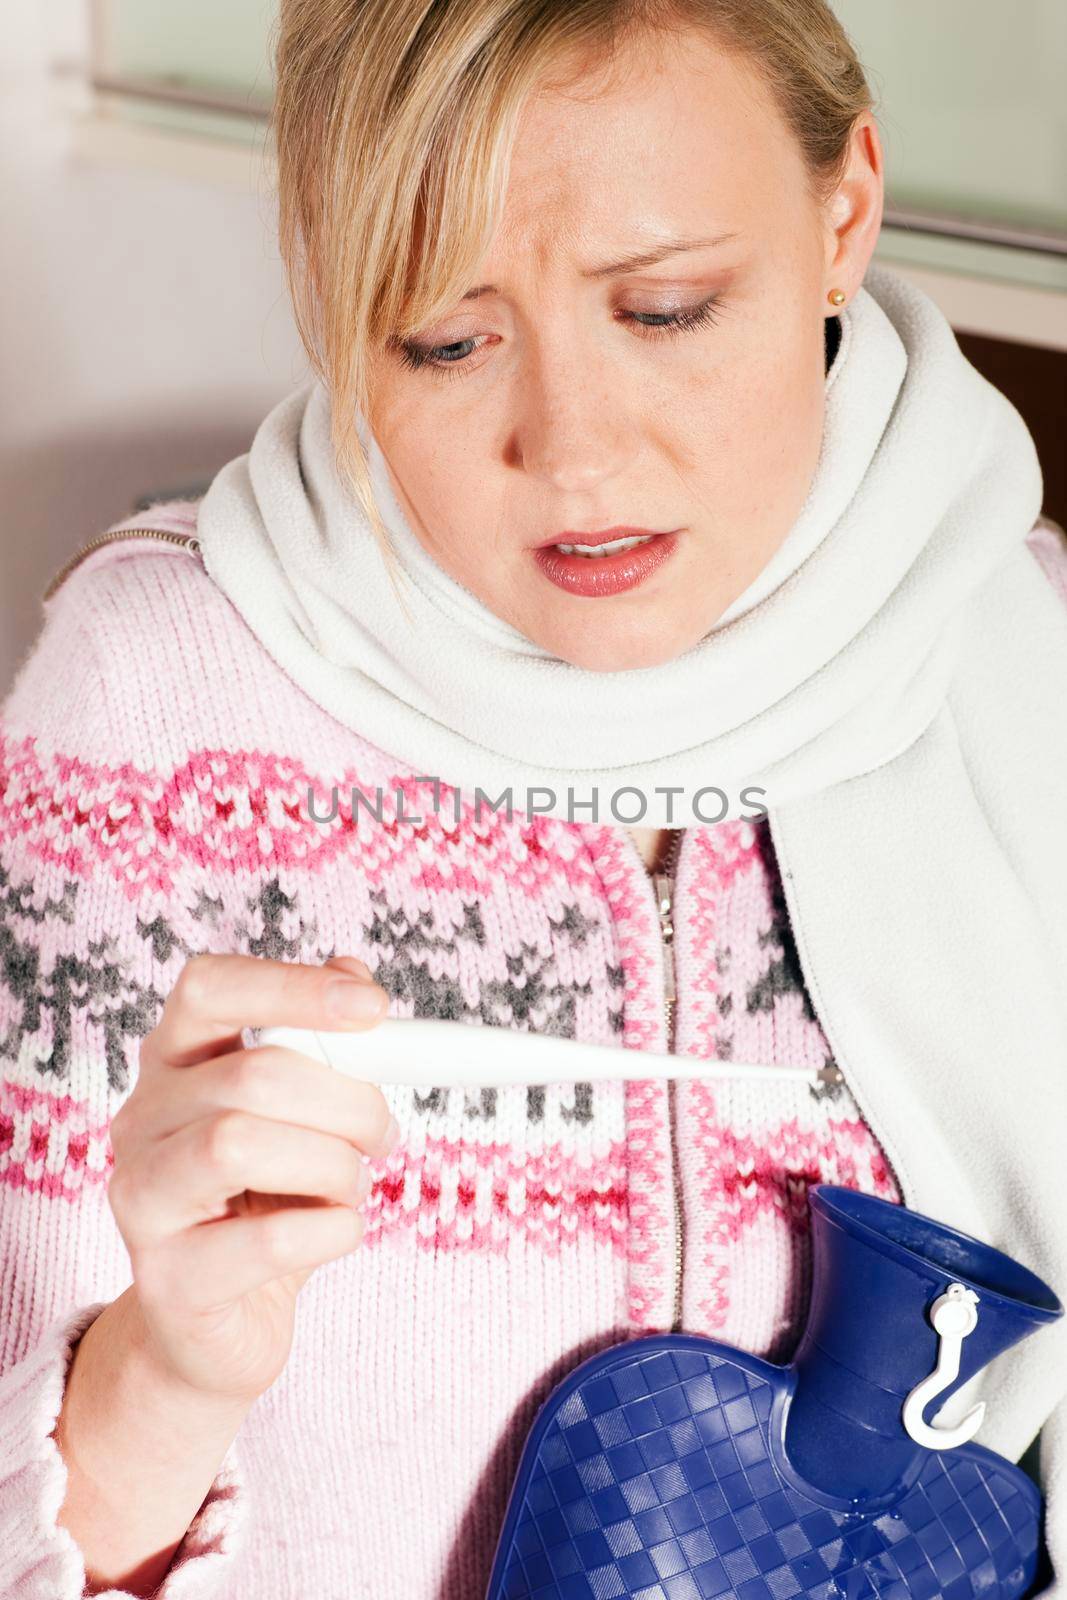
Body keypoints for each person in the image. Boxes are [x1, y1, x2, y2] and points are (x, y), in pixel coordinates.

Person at [1, 2, 1065, 1597]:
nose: (572, 450)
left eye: (670, 306)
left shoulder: (1021, 665)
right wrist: (162, 1376)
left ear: (843, 213)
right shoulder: (150, 700)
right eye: (446, 336)